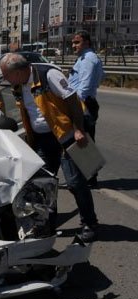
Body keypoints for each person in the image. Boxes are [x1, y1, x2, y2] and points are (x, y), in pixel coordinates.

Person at [0, 52, 99, 242]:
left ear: (19, 71)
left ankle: (89, 223)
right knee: (43, 185)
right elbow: (30, 112)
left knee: (75, 183)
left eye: (6, 74)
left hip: (65, 135)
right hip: (43, 139)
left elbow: (73, 100)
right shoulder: (18, 85)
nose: (5, 79)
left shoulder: (48, 75)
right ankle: (48, 225)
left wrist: (78, 129)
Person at [68, 30, 104, 188]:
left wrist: (76, 107)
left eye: (77, 42)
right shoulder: (86, 58)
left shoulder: (88, 59)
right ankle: (90, 178)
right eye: (73, 42)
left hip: (83, 104)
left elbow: (84, 87)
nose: (73, 45)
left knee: (84, 141)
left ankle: (89, 179)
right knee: (86, 141)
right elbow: (102, 76)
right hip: (86, 102)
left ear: (87, 42)